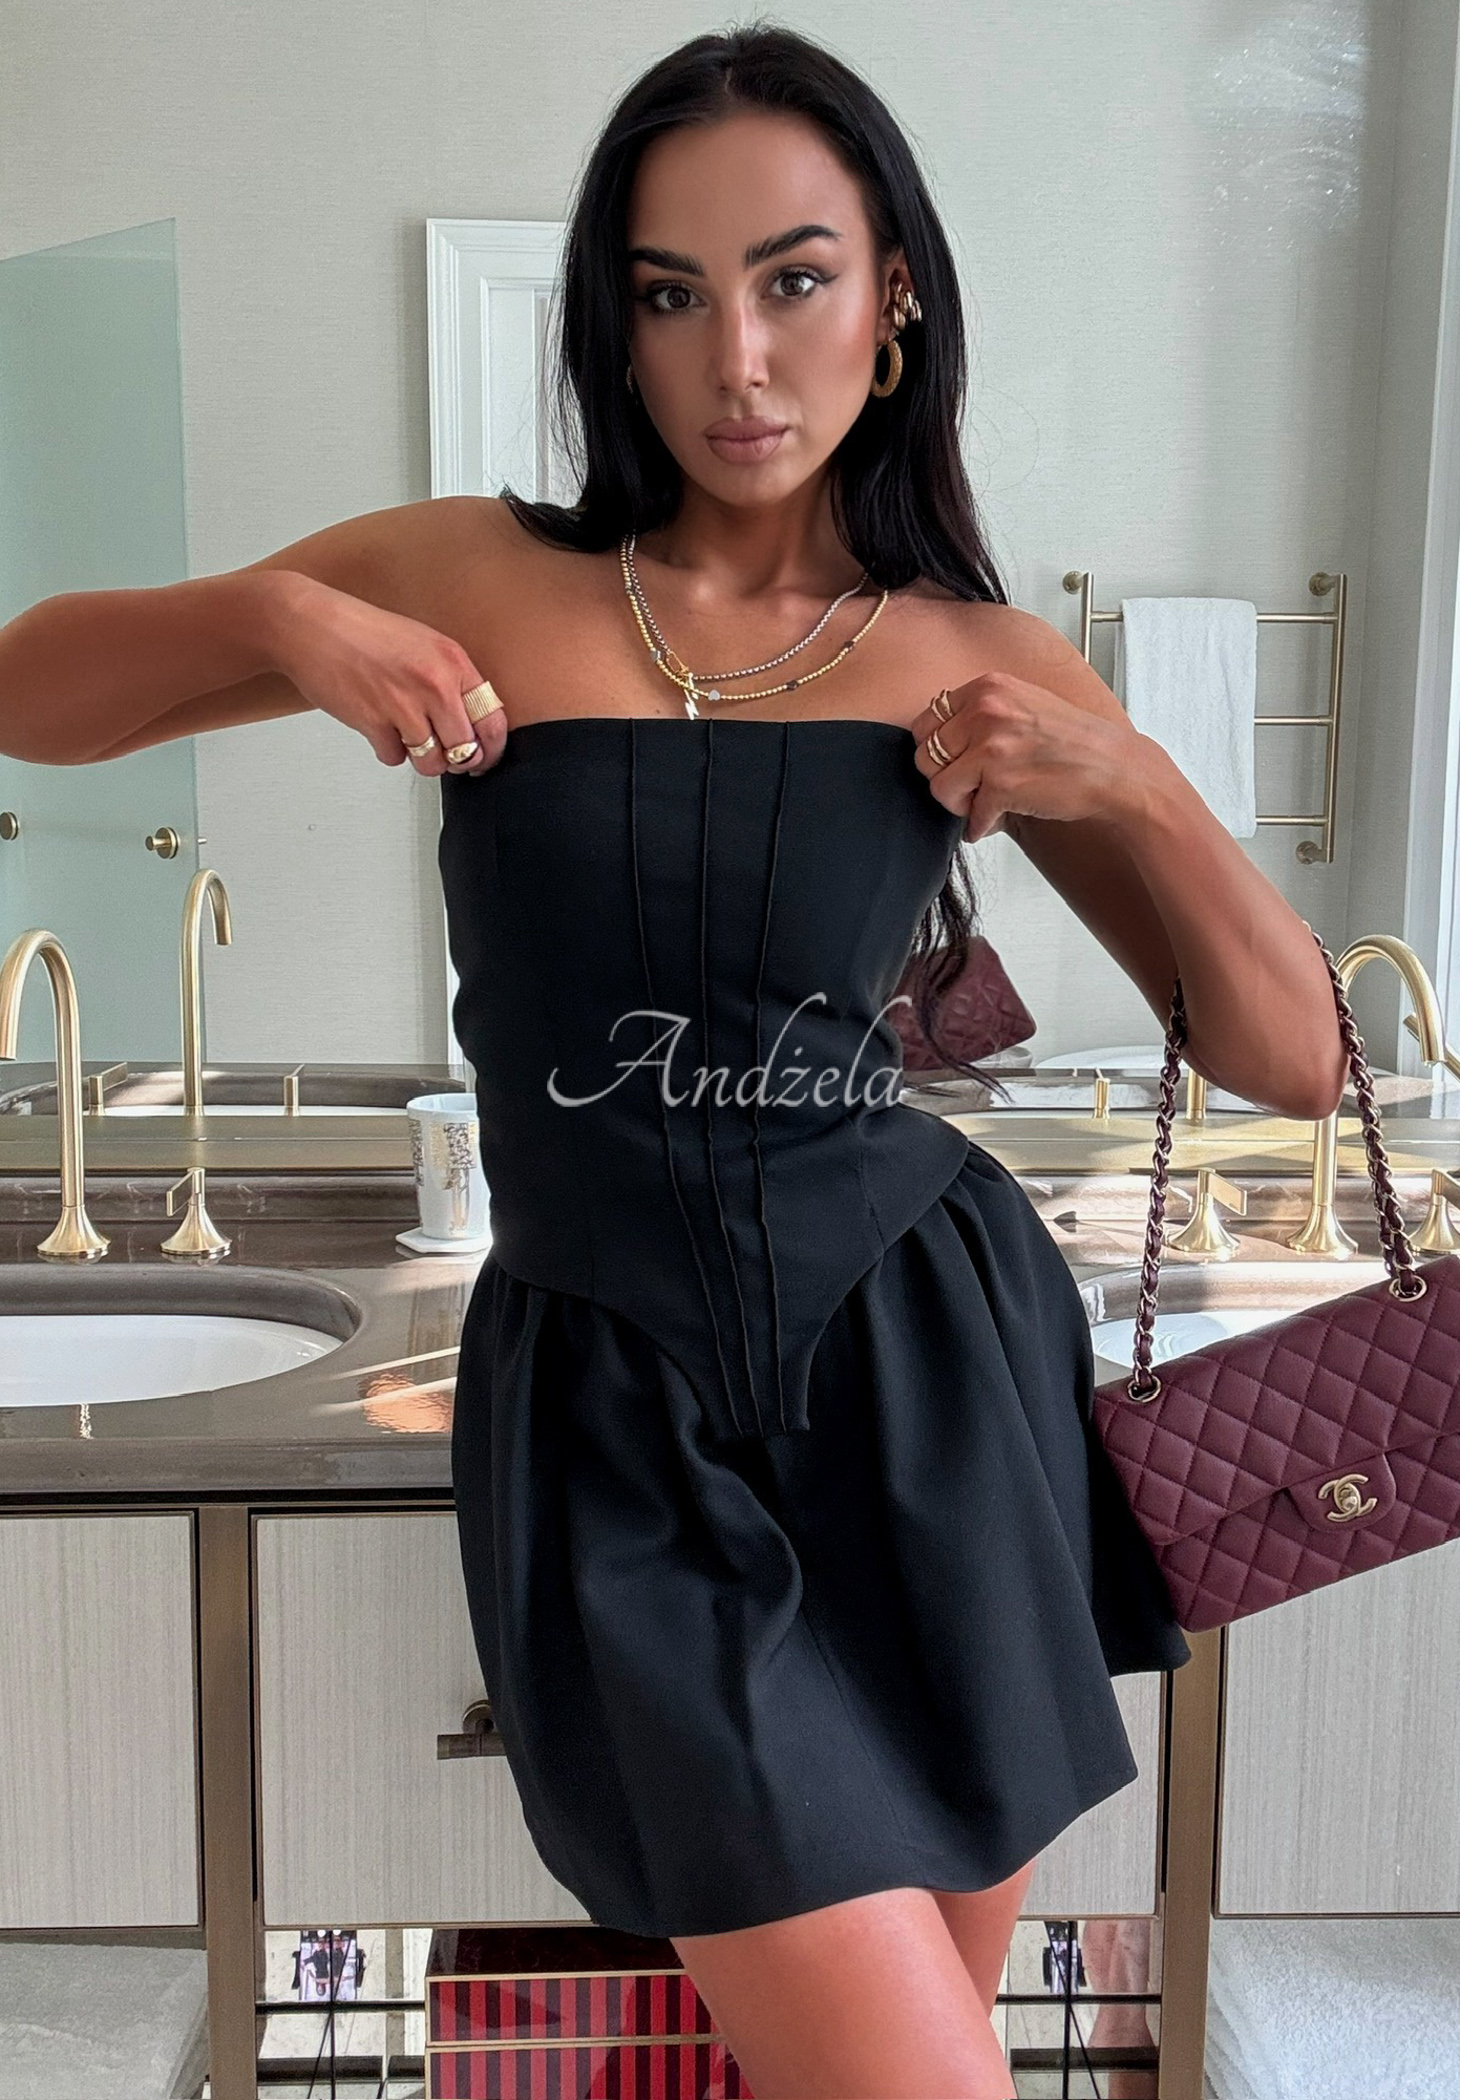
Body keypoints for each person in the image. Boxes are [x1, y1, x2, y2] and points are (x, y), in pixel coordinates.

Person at [0, 23, 1350, 2098]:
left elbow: (1293, 1061)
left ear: (894, 301)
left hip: (933, 1389)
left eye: (795, 279)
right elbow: (35, 696)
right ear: (610, 325)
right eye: (670, 292)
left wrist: (1144, 786)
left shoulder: (973, 654)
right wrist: (281, 617)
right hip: (614, 1418)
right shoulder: (472, 575)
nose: (739, 358)